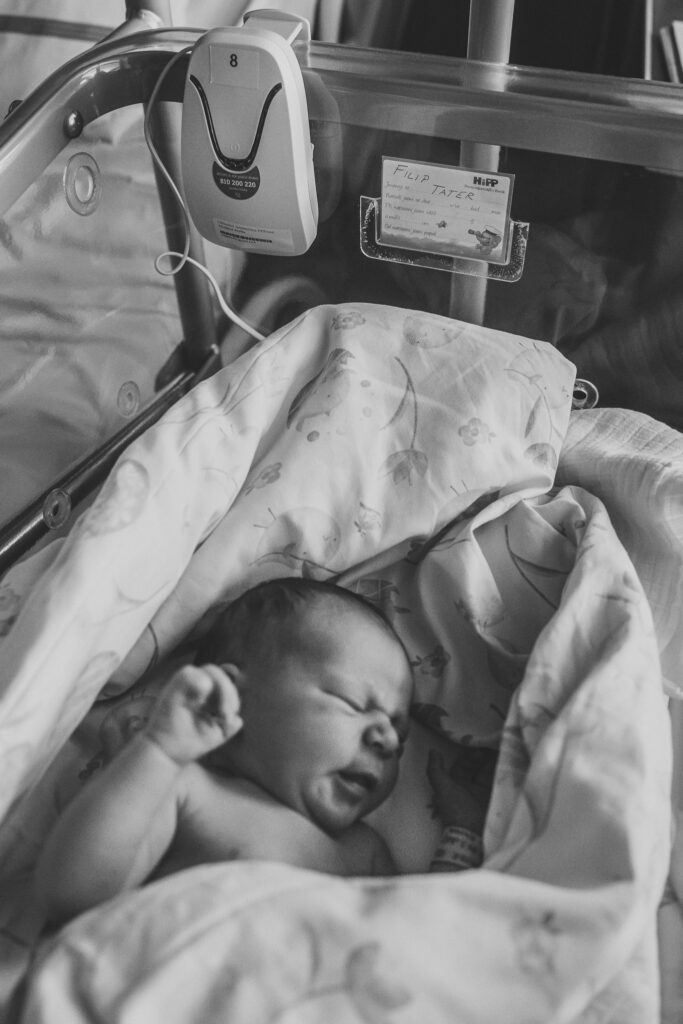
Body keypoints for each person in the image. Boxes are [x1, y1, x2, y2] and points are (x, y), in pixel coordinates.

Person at [35, 577, 416, 927]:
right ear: (232, 694)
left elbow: (420, 939)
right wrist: (157, 752)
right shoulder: (190, 790)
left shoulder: (364, 852)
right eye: (353, 702)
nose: (387, 739)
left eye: (400, 733)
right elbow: (72, 894)